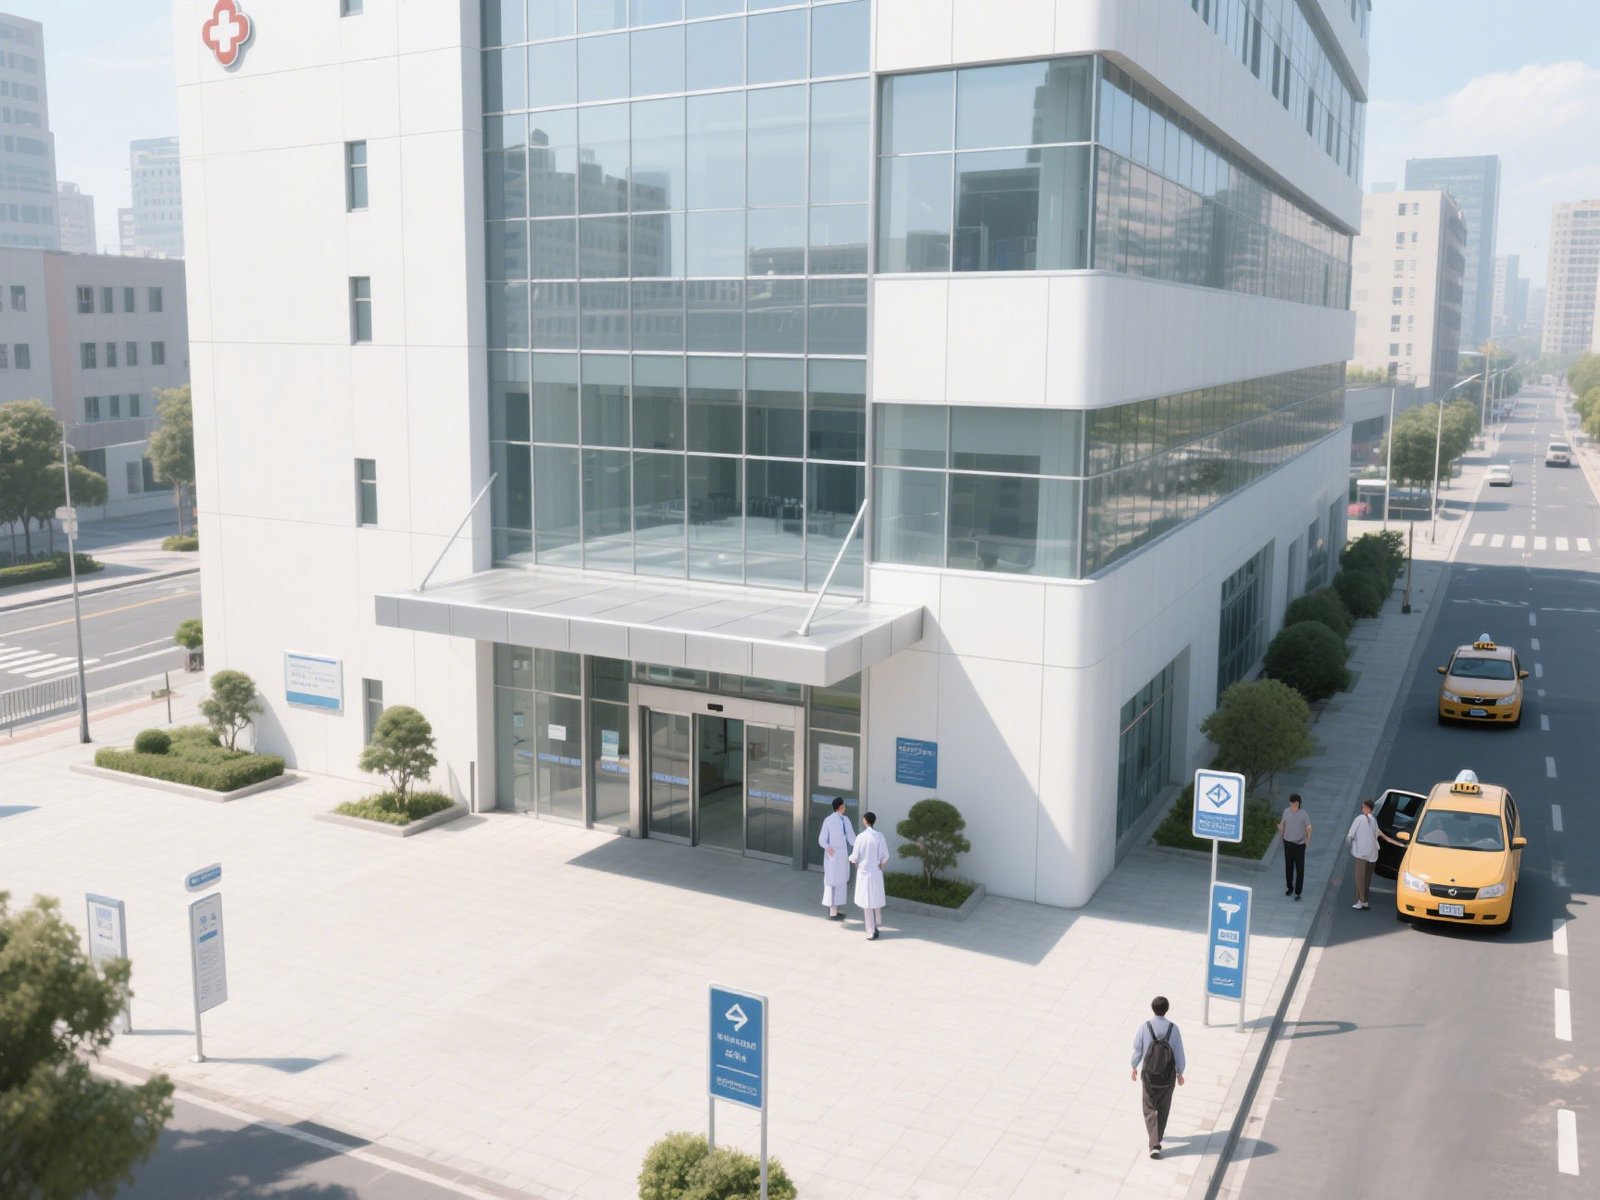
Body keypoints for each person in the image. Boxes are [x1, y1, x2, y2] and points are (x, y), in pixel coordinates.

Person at [1130, 996, 1186, 1159]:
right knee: (1163, 1107)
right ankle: (1157, 1138)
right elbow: (1179, 1052)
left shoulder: (1144, 1027)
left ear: (1152, 1008)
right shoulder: (1173, 1029)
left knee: (1149, 1107)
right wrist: (1180, 1073)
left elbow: (1137, 1049)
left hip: (1149, 1076)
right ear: (1166, 1009)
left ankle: (1154, 1143)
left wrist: (1134, 1066)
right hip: (1167, 1077)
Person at [1345, 797, 1400, 909]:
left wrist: (1349, 848)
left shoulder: (1359, 819)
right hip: (1373, 855)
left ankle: (1361, 902)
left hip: (1361, 854)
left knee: (1360, 879)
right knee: (1367, 879)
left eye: (1363, 806)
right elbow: (1383, 836)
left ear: (1366, 808)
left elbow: (1350, 836)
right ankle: (1364, 901)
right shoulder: (1374, 820)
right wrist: (1400, 844)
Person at [849, 811, 889, 940]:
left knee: (867, 904)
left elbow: (854, 856)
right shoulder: (879, 836)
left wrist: (851, 859)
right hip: (876, 872)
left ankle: (870, 932)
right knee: (875, 899)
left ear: (865, 821)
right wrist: (880, 864)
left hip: (864, 872)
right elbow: (886, 855)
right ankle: (877, 924)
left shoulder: (861, 837)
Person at [817, 797, 856, 919]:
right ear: (840, 807)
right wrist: (828, 847)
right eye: (844, 805)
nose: (845, 807)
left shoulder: (845, 819)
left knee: (841, 881)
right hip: (833, 854)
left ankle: (836, 910)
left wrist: (858, 846)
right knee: (832, 881)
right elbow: (822, 839)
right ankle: (832, 912)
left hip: (840, 854)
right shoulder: (829, 820)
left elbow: (851, 837)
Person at [1277, 793, 1312, 900]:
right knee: (1289, 866)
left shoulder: (1303, 814)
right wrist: (1281, 832)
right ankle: (1289, 887)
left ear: (1299, 804)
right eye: (1291, 804)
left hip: (1300, 844)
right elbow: (1283, 824)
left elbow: (1309, 827)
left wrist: (1308, 839)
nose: (1293, 807)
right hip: (1288, 843)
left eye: (1295, 805)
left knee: (1300, 868)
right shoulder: (1286, 811)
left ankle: (1298, 891)